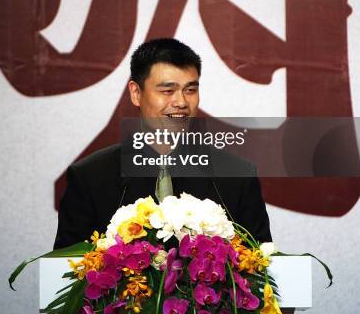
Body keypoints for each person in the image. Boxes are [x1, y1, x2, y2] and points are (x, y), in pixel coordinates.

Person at [54, 38, 271, 248]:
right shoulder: (90, 177)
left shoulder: (237, 176)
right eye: (167, 91)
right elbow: (68, 270)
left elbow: (261, 266)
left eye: (190, 90)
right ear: (136, 93)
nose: (181, 102)